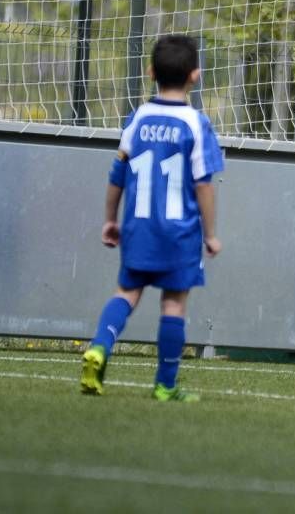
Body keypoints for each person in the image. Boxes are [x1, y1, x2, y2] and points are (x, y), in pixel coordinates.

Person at [80, 34, 224, 401]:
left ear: (149, 72)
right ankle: (165, 385)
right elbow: (203, 183)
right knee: (173, 303)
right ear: (196, 75)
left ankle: (99, 346)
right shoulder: (196, 123)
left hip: (138, 227)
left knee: (126, 292)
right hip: (179, 232)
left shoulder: (138, 117)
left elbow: (117, 175)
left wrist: (110, 218)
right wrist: (211, 233)